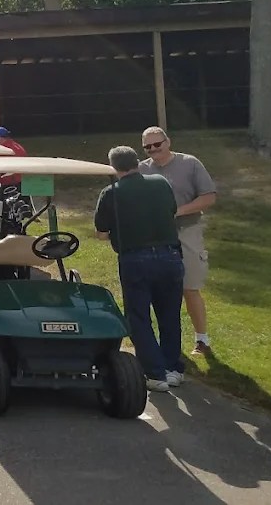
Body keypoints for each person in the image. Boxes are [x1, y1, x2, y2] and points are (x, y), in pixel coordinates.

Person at [94, 145, 185, 391]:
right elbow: (172, 211)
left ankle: (154, 373)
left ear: (114, 167)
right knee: (169, 314)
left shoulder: (111, 192)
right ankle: (172, 367)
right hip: (170, 255)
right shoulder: (160, 183)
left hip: (135, 258)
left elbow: (101, 233)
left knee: (138, 317)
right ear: (137, 162)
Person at [138, 126, 218, 356]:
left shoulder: (190, 163)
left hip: (187, 230)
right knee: (159, 289)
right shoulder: (142, 169)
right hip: (155, 235)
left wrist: (178, 211)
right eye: (148, 147)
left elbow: (209, 196)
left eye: (157, 144)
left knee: (189, 287)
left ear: (168, 142)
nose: (153, 149)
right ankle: (168, 343)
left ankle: (202, 340)